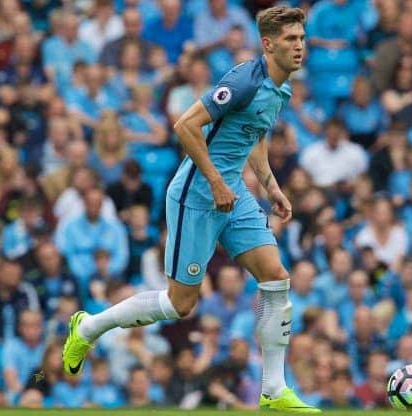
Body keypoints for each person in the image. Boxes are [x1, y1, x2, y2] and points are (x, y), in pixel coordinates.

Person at [62, 6, 319, 413]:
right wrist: (216, 180)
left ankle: (273, 391)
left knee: (276, 277)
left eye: (302, 38)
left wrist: (271, 186)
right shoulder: (244, 80)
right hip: (197, 195)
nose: (300, 46)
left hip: (232, 191)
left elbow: (253, 134)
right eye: (291, 39)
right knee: (181, 304)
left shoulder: (279, 88)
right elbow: (185, 125)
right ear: (268, 44)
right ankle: (88, 327)